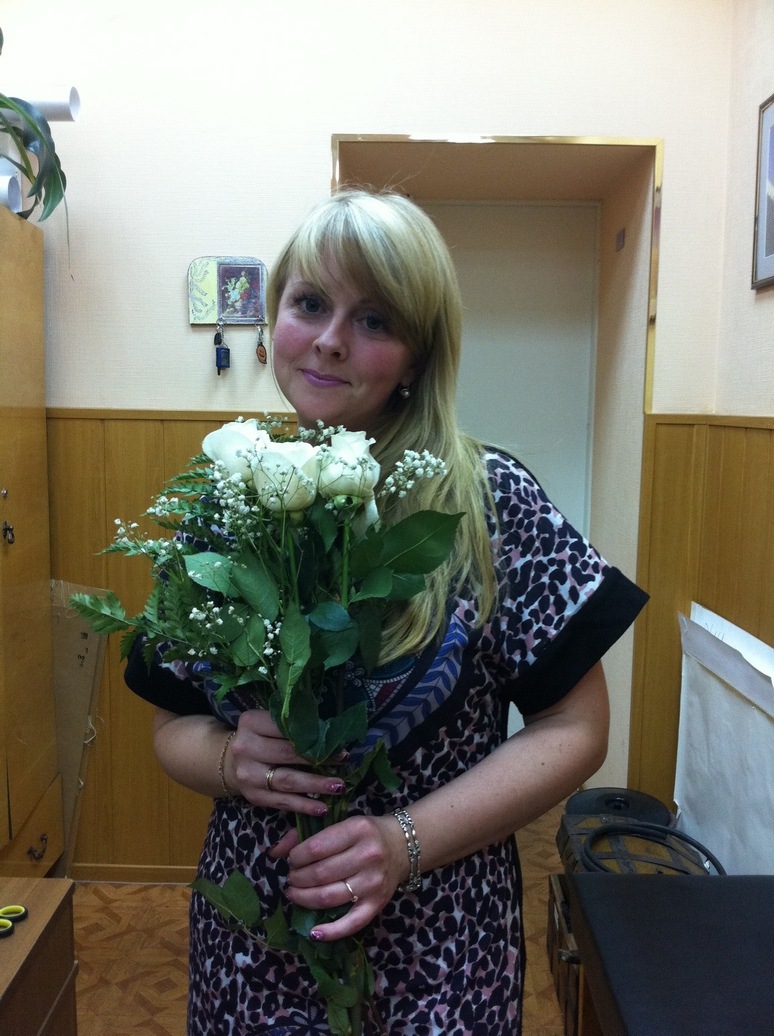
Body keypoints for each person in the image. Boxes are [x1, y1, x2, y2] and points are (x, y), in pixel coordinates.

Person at [125, 188, 648, 1035]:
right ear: (274, 318)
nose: (331, 338)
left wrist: (403, 841)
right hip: (254, 940)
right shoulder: (224, 506)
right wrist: (227, 760)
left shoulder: (489, 502)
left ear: (415, 359)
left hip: (439, 942)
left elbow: (576, 728)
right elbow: (169, 725)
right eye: (310, 303)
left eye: (374, 319)